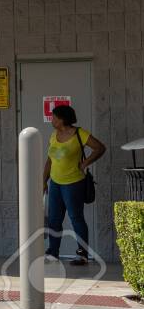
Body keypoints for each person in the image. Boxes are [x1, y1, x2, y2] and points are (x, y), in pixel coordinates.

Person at [44, 104, 105, 266]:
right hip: (56, 183)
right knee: (54, 220)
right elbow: (50, 160)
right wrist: (44, 181)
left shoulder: (80, 133)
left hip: (73, 183)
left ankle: (82, 254)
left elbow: (99, 148)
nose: (52, 119)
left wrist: (85, 163)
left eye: (55, 117)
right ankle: (53, 252)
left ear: (62, 119)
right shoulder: (53, 135)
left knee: (76, 218)